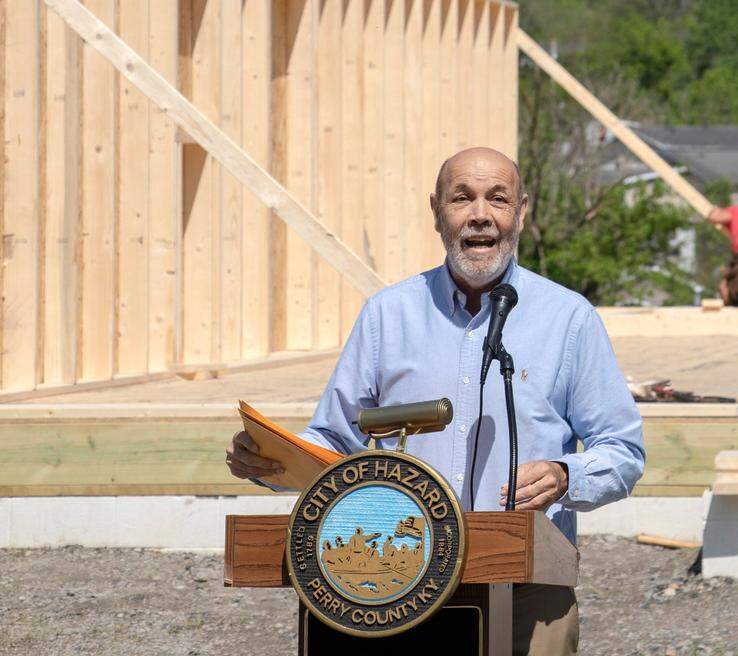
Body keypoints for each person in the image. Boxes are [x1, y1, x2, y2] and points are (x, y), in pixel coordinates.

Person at [226, 147, 646, 655]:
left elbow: (623, 451)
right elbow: (334, 440)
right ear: (436, 212)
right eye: (461, 198)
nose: (480, 216)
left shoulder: (570, 319)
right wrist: (271, 458)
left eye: (498, 199)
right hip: (396, 582)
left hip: (527, 584)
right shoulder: (387, 316)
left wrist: (564, 475)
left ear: (522, 212)